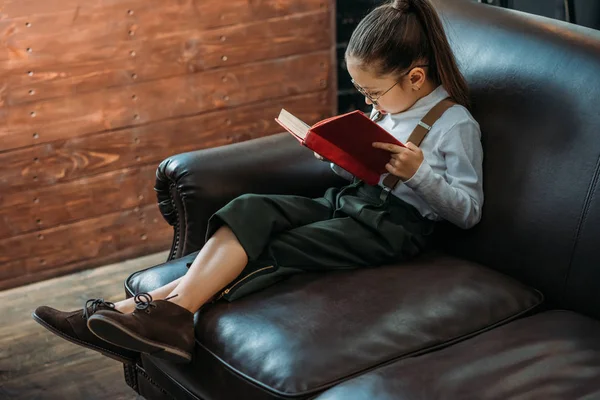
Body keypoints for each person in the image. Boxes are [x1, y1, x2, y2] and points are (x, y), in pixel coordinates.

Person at [33, 0, 483, 364]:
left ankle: (140, 313)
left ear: (416, 77)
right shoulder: (388, 108)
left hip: (393, 229)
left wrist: (419, 173)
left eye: (372, 93)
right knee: (251, 209)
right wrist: (338, 156)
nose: (369, 103)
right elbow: (360, 171)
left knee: (278, 245)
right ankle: (146, 314)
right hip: (348, 200)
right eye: (362, 93)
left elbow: (468, 211)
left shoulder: (453, 124)